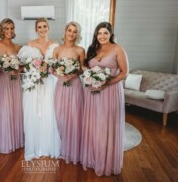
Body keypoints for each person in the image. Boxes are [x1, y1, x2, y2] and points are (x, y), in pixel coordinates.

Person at [80, 22, 129, 176]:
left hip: (110, 91)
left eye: (105, 33)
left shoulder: (118, 49)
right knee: (93, 124)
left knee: (106, 123)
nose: (102, 36)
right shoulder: (92, 49)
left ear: (110, 34)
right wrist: (89, 78)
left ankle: (106, 161)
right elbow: (86, 68)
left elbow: (124, 72)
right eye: (99, 33)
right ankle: (93, 158)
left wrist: (106, 83)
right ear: (96, 35)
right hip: (92, 92)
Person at [18, 18, 61, 161]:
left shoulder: (55, 45)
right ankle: (35, 145)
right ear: (36, 29)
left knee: (49, 111)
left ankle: (48, 145)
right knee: (34, 112)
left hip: (49, 82)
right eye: (39, 27)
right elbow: (24, 65)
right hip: (34, 82)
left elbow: (57, 65)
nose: (42, 29)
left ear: (48, 28)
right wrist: (35, 68)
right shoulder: (30, 44)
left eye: (45, 26)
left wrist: (47, 68)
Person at [0, 18, 24, 154]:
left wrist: (18, 69)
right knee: (3, 109)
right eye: (6, 28)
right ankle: (3, 141)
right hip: (1, 81)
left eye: (12, 28)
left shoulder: (18, 47)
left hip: (15, 81)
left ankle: (15, 140)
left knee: (15, 110)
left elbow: (22, 65)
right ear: (1, 30)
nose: (9, 31)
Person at [53, 22, 85, 164]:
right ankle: (60, 145)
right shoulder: (57, 49)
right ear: (65, 31)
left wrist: (72, 75)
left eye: (74, 31)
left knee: (74, 115)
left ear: (77, 34)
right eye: (69, 30)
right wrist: (60, 74)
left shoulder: (80, 50)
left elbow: (82, 69)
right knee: (60, 115)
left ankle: (74, 148)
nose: (71, 33)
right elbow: (52, 69)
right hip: (61, 85)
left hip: (75, 85)